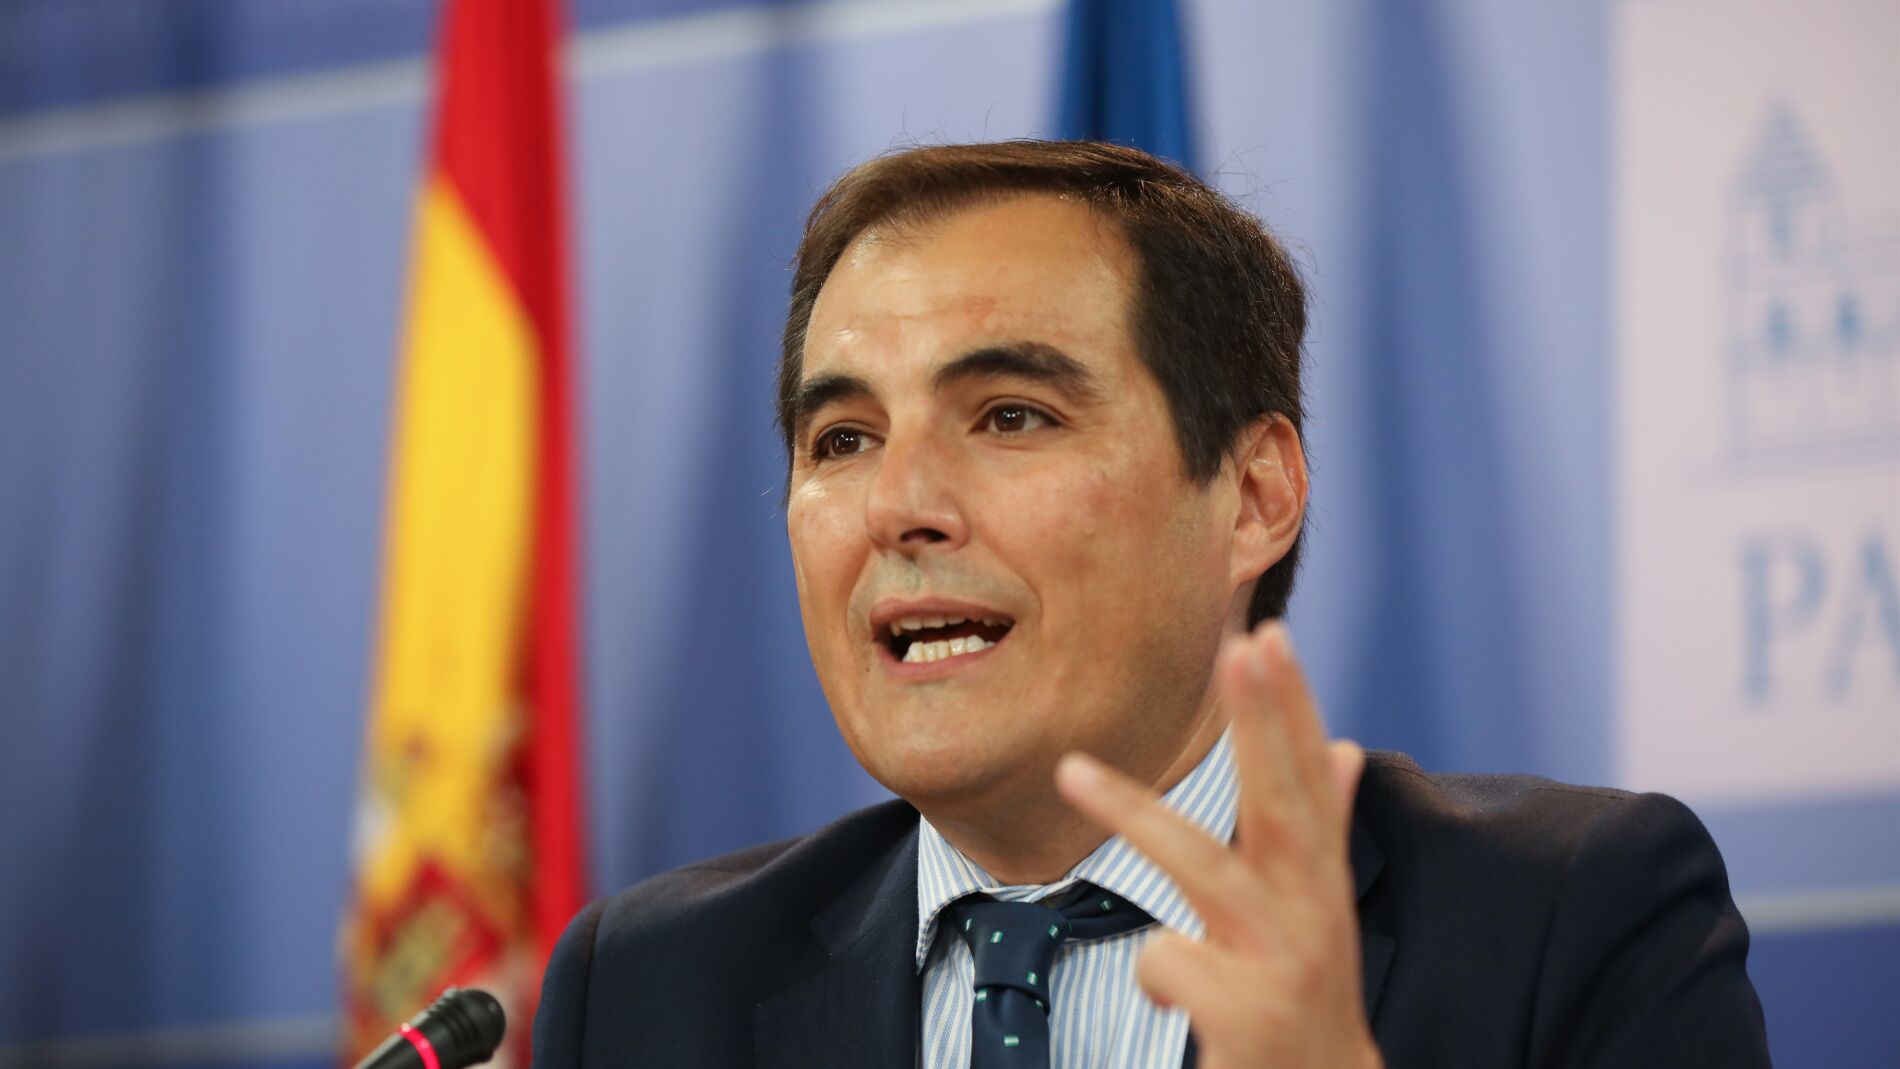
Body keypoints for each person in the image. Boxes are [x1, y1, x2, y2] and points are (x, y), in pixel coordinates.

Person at [532, 141, 1771, 1068]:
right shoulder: (646, 987)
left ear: (1253, 495)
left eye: (1010, 416)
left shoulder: (1570, 922)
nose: (898, 505)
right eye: (843, 438)